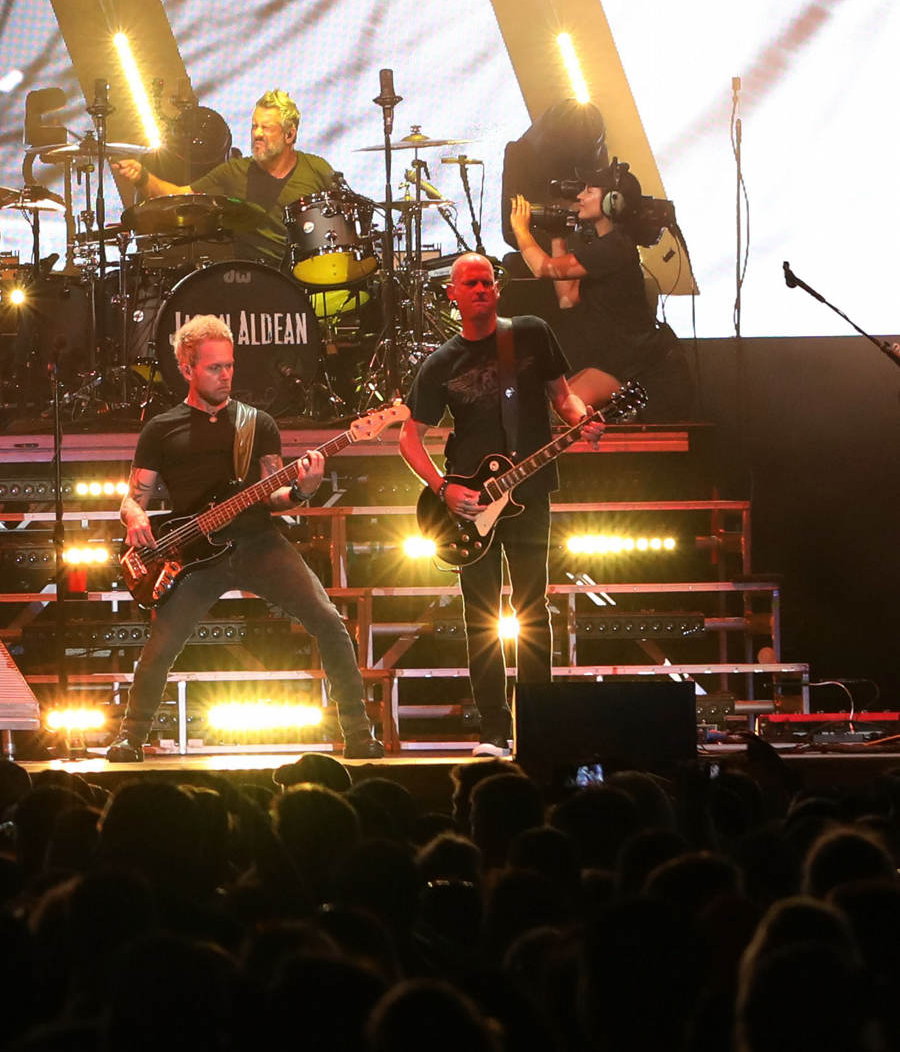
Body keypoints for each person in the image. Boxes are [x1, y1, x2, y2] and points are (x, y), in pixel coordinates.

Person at [108, 315, 372, 761]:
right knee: (162, 646)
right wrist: (133, 515)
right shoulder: (161, 429)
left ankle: (359, 733)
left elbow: (275, 496)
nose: (226, 375)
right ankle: (131, 737)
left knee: (327, 620)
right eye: (214, 368)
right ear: (186, 367)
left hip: (257, 542)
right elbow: (134, 497)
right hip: (191, 554)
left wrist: (304, 489)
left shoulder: (257, 423)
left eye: (230, 365)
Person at [397, 250, 591, 757]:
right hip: (468, 507)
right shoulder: (440, 363)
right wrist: (444, 488)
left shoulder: (530, 333)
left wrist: (581, 419)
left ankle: (538, 723)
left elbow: (563, 398)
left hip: (530, 491)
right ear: (453, 295)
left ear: (497, 290)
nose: (481, 290)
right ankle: (493, 731)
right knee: (480, 615)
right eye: (471, 284)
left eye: (488, 282)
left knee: (533, 609)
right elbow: (409, 439)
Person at [501, 100, 674, 408]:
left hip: (634, 368)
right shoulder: (603, 247)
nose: (580, 196)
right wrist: (558, 236)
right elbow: (567, 298)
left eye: (590, 192)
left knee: (563, 412)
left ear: (613, 203)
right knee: (550, 405)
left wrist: (521, 229)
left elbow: (544, 270)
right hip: (609, 360)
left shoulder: (615, 247)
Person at [120, 91, 342, 267]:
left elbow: (343, 220)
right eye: (255, 126)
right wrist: (143, 177)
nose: (257, 134)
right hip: (255, 278)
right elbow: (181, 197)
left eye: (266, 128)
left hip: (309, 274)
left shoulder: (317, 168)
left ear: (290, 134)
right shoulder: (233, 171)